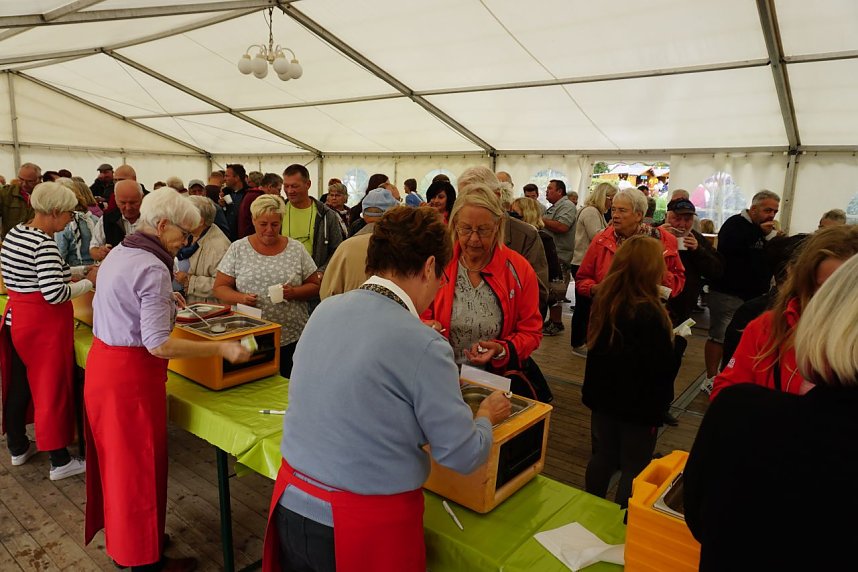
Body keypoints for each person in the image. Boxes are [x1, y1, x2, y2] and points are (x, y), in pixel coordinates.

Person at [261, 206, 511, 572]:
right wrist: (486, 417)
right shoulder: (423, 344)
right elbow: (461, 454)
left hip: (290, 501)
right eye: (441, 276)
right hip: (361, 527)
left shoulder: (326, 310)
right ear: (429, 267)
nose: (439, 286)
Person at [84, 188, 251, 571]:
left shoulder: (122, 252)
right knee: (138, 469)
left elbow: (118, 304)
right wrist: (220, 349)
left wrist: (164, 304)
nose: (186, 243)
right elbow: (158, 345)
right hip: (131, 379)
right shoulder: (153, 267)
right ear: (161, 225)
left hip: (105, 368)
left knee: (122, 466)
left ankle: (137, 539)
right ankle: (142, 560)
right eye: (183, 235)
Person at [683, 253, 858, 571]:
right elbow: (727, 388)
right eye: (822, 290)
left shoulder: (745, 410)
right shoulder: (764, 323)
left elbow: (702, 513)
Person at [0, 182, 97, 479]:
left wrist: (79, 270)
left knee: (20, 385)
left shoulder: (17, 233)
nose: (70, 219)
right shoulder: (44, 243)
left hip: (19, 319)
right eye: (68, 213)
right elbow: (54, 292)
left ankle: (18, 447)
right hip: (43, 325)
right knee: (51, 390)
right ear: (54, 211)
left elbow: (44, 274)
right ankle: (59, 460)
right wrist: (92, 281)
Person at [582, 236, 678, 508]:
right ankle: (619, 519)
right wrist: (677, 346)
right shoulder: (652, 313)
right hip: (639, 405)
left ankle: (591, 506)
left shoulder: (606, 301)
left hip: (603, 398)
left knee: (603, 456)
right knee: (634, 465)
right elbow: (662, 368)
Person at [711, 225, 858, 398]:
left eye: (847, 290)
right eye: (823, 287)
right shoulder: (768, 327)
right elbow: (725, 394)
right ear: (804, 283)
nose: (832, 299)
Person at [422, 184, 542, 384]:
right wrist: (426, 326)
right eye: (466, 229)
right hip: (440, 378)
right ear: (454, 225)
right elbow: (419, 315)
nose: (474, 239)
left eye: (483, 230)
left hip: (494, 381)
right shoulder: (438, 264)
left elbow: (531, 332)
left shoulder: (519, 270)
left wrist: (502, 350)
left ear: (498, 226)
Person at [214, 194, 321, 377]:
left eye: (275, 224)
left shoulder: (295, 249)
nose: (269, 230)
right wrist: (241, 298)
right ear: (254, 221)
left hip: (291, 335)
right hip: (249, 334)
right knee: (254, 382)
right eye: (263, 224)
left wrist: (294, 292)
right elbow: (220, 287)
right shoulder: (238, 248)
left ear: (281, 222)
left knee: (289, 383)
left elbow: (315, 285)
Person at [576, 188, 685, 356]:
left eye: (622, 210)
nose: (615, 215)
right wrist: (595, 289)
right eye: (613, 209)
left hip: (649, 322)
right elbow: (582, 279)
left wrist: (656, 272)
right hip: (607, 322)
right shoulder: (601, 240)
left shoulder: (663, 240)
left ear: (639, 215)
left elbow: (678, 281)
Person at [703, 190, 780, 393]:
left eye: (775, 211)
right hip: (728, 293)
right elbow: (735, 254)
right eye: (767, 210)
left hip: (753, 296)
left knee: (742, 339)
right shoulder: (735, 226)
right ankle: (710, 378)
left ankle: (732, 377)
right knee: (719, 336)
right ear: (753, 209)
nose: (771, 215)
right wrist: (764, 235)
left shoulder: (762, 231)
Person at [319, 188, 398, 298]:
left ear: (364, 215)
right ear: (393, 214)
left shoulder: (345, 247)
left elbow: (326, 292)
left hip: (350, 312)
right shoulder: (401, 246)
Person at [659, 198, 723, 325]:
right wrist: (657, 240)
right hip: (655, 303)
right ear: (667, 217)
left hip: (684, 308)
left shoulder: (696, 239)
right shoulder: (654, 233)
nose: (682, 225)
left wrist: (698, 250)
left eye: (687, 220)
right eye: (677, 219)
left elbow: (717, 271)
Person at [569, 182, 615, 356]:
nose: (612, 204)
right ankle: (578, 343)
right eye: (611, 199)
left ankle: (585, 340)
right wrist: (612, 228)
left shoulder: (595, 212)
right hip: (582, 262)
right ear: (605, 197)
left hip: (585, 262)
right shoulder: (590, 212)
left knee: (587, 307)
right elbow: (597, 236)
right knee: (583, 307)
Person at [280, 164, 344, 275]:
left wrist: (321, 272)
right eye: (286, 186)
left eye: (295, 186)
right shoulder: (278, 211)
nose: (289, 191)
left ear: (308, 184)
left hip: (314, 281)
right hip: (282, 276)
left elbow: (337, 250)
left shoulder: (327, 215)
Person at [175, 195, 232, 304]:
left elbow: (224, 285)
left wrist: (189, 281)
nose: (180, 218)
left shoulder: (218, 247)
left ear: (200, 220)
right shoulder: (192, 236)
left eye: (186, 214)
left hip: (210, 311)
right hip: (193, 305)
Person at [542, 179, 577, 336]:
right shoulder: (555, 207)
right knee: (551, 289)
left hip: (560, 256)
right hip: (552, 255)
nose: (546, 191)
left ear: (560, 191)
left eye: (550, 188)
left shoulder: (567, 206)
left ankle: (557, 323)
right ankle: (553, 321)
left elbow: (562, 226)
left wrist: (539, 220)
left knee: (556, 290)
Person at [89, 180, 144, 261]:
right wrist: (100, 253)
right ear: (115, 199)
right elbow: (93, 248)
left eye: (133, 203)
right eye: (123, 203)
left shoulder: (152, 219)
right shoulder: (107, 219)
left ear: (142, 197)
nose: (128, 207)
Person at [54, 178, 100, 267]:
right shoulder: (94, 219)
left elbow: (60, 256)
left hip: (74, 272)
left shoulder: (65, 224)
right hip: (96, 268)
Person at [0, 162, 40, 240]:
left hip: (37, 241)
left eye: (30, 181)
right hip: (11, 241)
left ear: (39, 179)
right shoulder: (5, 193)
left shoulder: (47, 194)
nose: (24, 184)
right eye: (21, 179)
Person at [220, 163, 250, 241]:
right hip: (228, 239)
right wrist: (222, 206)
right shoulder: (225, 193)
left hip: (244, 239)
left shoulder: (249, 195)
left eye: (227, 176)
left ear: (237, 178)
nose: (224, 179)